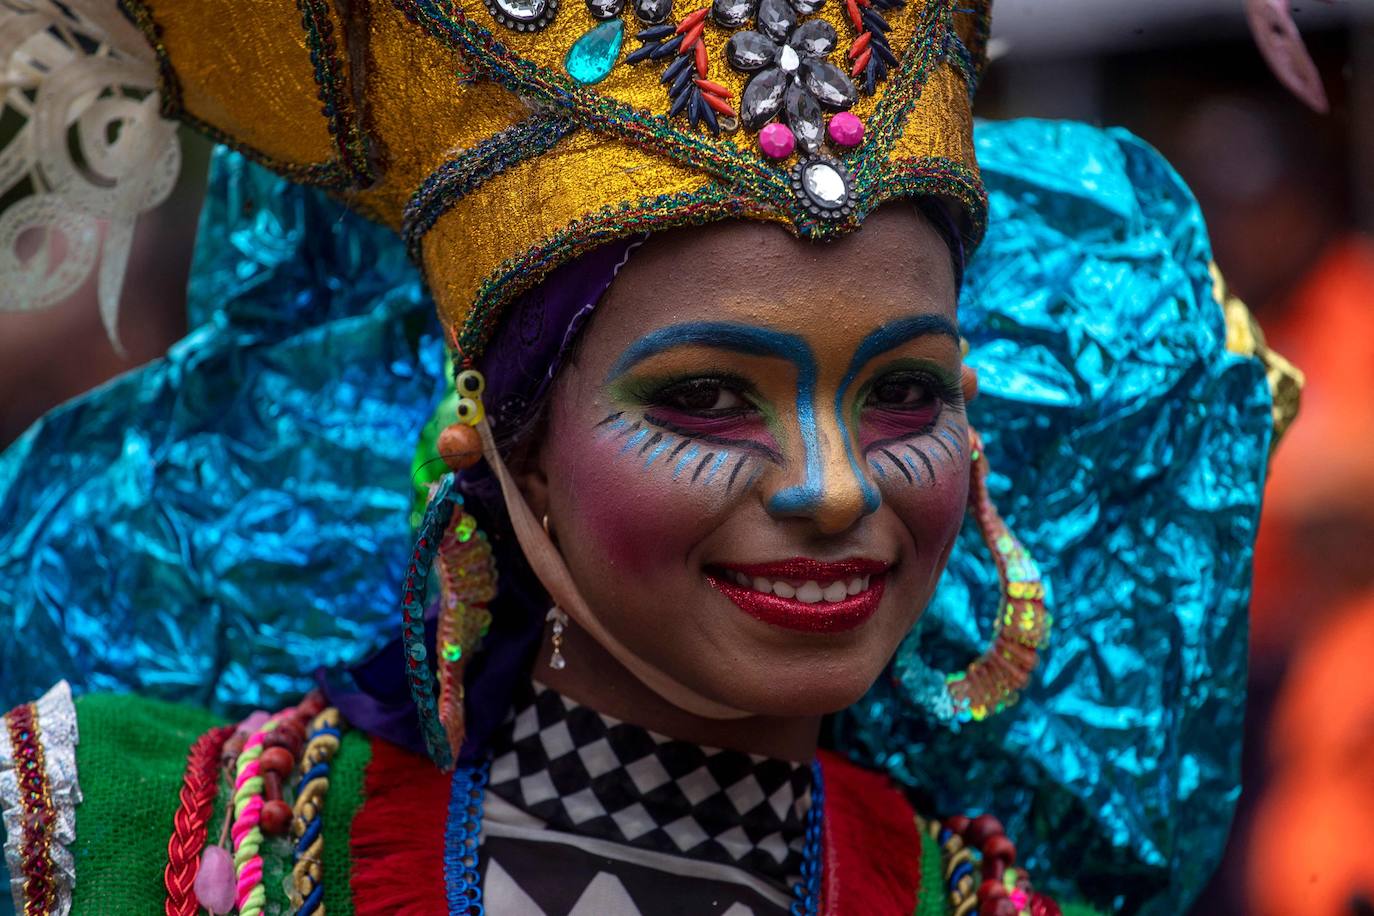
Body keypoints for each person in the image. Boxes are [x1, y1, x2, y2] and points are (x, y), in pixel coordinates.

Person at [0, 0, 1294, 913]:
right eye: (707, 399)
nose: (833, 487)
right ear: (509, 444)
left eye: (903, 391)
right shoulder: (87, 835)